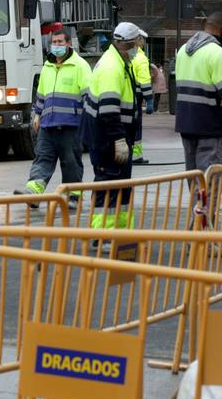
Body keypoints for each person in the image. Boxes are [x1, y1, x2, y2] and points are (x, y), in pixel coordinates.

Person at [83, 21, 143, 245]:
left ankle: (121, 234)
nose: (139, 46)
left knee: (119, 186)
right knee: (108, 185)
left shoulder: (119, 61)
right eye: (137, 42)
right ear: (128, 44)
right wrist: (118, 139)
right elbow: (108, 110)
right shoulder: (112, 67)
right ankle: (103, 238)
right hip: (107, 138)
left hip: (111, 136)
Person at [17, 24, 90, 209]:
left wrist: (88, 123)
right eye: (54, 42)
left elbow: (88, 97)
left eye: (59, 42)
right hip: (48, 124)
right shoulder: (48, 66)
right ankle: (33, 193)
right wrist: (37, 115)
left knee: (71, 162)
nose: (56, 45)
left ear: (67, 43)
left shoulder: (80, 65)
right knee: (42, 158)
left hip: (71, 125)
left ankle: (72, 197)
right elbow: (42, 95)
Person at [174, 12, 222, 171]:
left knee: (194, 177)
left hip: (186, 123)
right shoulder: (217, 52)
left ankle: (195, 198)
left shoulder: (183, 50)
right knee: (209, 181)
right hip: (211, 125)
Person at [129, 30, 152, 163]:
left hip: (126, 95)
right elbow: (144, 81)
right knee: (136, 126)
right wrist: (149, 100)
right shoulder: (141, 57)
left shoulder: (125, 55)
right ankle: (136, 155)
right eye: (143, 40)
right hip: (137, 98)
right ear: (139, 41)